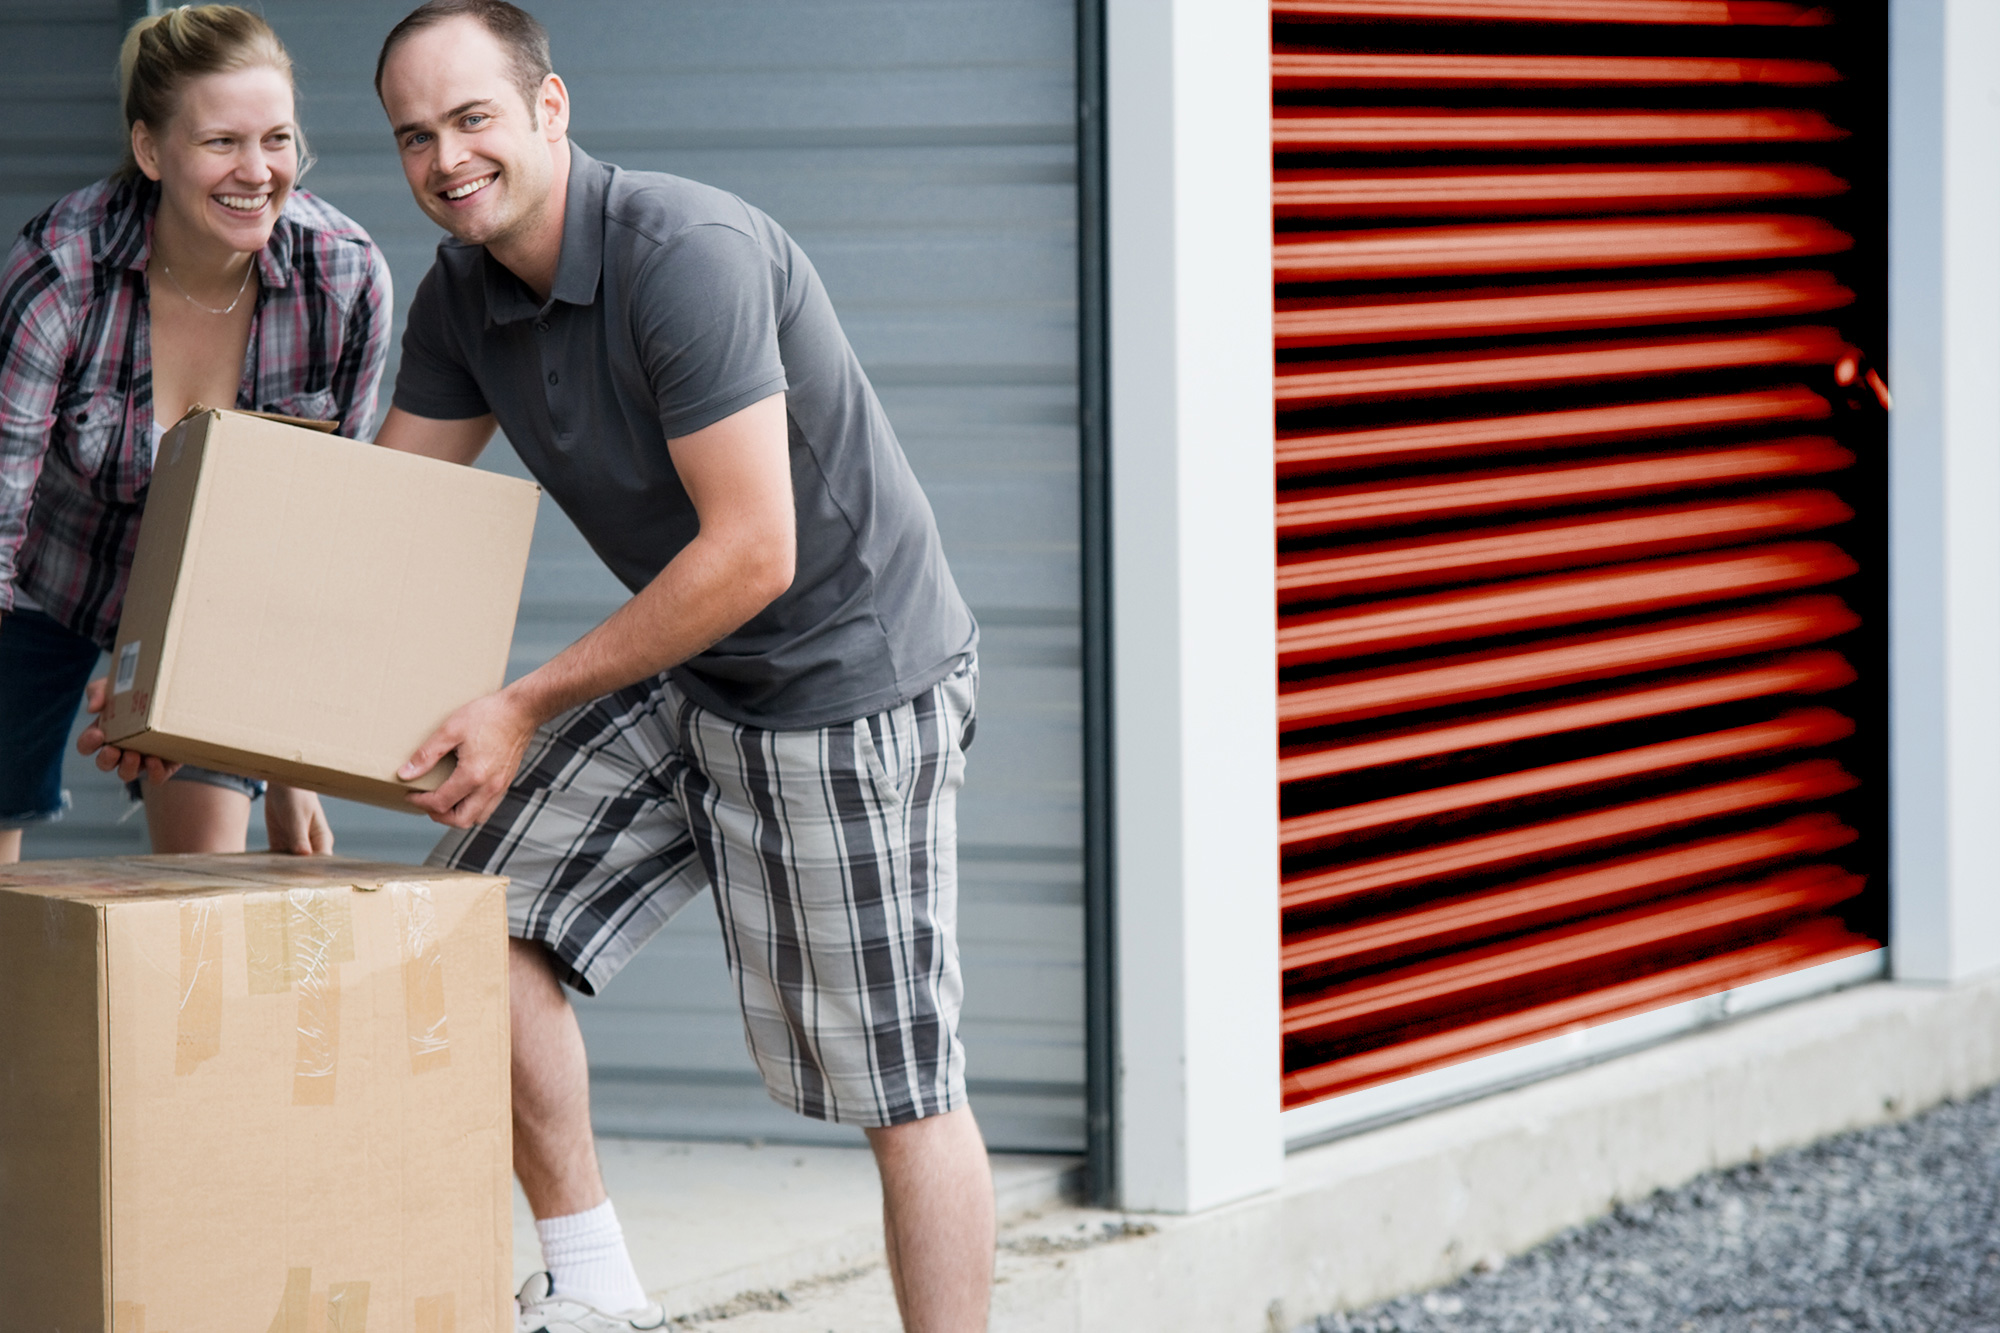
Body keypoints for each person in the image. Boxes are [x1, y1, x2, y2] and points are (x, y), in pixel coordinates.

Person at [371, 2, 991, 1328]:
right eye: (415, 134)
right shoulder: (463, 294)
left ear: (550, 108)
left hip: (846, 680)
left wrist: (525, 703)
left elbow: (756, 552)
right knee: (474, 925)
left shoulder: (682, 254)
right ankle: (597, 1292)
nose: (446, 156)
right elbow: (383, 522)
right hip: (698, 670)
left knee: (902, 1087)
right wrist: (189, 698)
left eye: (472, 116)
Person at [0, 4, 392, 864]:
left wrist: (290, 767)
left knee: (203, 883)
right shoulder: (61, 271)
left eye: (278, 138)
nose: (258, 171)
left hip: (212, 602)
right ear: (151, 151)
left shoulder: (345, 278)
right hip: (39, 579)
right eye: (221, 142)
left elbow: (317, 530)